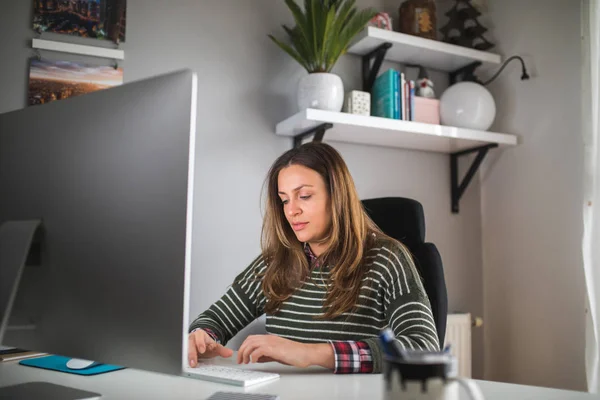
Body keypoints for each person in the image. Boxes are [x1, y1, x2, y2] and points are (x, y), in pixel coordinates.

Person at [188, 142, 439, 374]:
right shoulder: (274, 263)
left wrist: (313, 353)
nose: (291, 210)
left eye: (304, 196)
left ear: (337, 195)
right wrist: (202, 337)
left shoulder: (387, 258)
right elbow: (214, 319)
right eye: (284, 200)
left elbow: (424, 347)